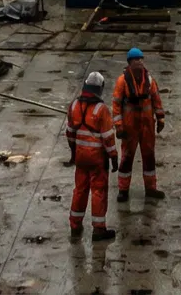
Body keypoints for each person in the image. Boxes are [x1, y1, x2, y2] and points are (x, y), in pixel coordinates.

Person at [65, 71, 117, 241]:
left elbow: (70, 133)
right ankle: (99, 229)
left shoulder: (74, 106)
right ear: (100, 89)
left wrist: (73, 153)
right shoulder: (101, 109)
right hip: (97, 159)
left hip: (80, 157)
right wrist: (114, 156)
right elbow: (108, 137)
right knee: (98, 191)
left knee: (80, 190)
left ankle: (75, 226)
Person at [112, 47, 165, 201]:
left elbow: (156, 99)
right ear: (130, 62)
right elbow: (116, 105)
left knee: (149, 156)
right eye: (136, 59)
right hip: (130, 126)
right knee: (127, 158)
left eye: (141, 59)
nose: (140, 62)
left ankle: (151, 188)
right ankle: (123, 190)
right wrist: (119, 126)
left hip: (147, 125)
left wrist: (160, 118)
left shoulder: (149, 80)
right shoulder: (122, 81)